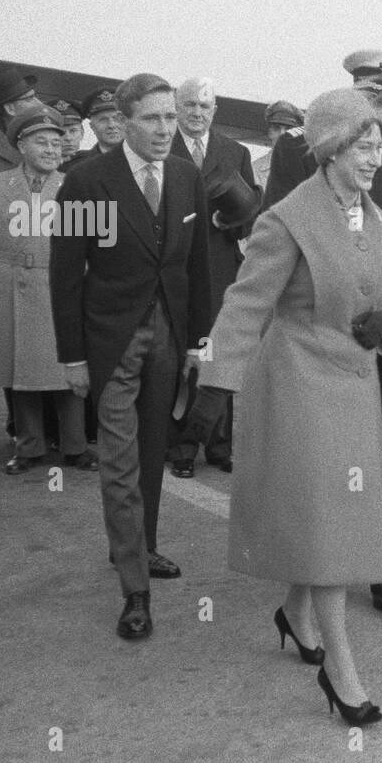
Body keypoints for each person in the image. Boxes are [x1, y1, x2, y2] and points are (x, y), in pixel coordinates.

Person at [191, 88, 382, 724]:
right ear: (331, 148)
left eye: (380, 148)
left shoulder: (378, 218)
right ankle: (343, 675)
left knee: (329, 517)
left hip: (356, 387)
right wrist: (214, 386)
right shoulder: (285, 220)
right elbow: (245, 305)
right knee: (330, 525)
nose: (374, 160)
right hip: (298, 388)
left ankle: (295, 611)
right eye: (364, 148)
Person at [260, 50, 382, 628]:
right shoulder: (300, 153)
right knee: (320, 464)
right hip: (317, 335)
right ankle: (313, 576)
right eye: (374, 99)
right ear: (351, 99)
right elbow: (277, 237)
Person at [50, 73, 212, 640]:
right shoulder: (86, 181)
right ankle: (134, 588)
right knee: (118, 459)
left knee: (153, 449)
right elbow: (66, 274)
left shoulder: (188, 178)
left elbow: (196, 268)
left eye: (171, 117)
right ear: (123, 121)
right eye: (152, 119)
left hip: (169, 333)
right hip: (110, 340)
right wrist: (72, 357)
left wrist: (198, 342)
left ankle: (143, 544)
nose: (166, 129)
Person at [0, 107, 97, 475]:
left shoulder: (77, 186)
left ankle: (75, 448)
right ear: (21, 146)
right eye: (41, 141)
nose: (50, 149)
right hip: (10, 287)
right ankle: (29, 448)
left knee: (69, 370)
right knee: (19, 371)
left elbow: (94, 248)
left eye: (57, 142)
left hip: (62, 289)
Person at [167, 77, 261, 479]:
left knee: (222, 356)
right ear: (177, 106)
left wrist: (236, 218)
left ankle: (220, 445)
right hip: (176, 266)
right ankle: (182, 446)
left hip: (222, 267)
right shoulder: (161, 146)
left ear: (215, 111)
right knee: (183, 360)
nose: (197, 113)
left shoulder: (235, 151)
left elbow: (251, 215)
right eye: (189, 105)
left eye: (205, 107)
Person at [0, 68, 43, 173]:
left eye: (35, 97)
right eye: (29, 99)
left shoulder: (50, 138)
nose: (40, 104)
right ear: (10, 109)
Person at [65, 87, 125, 168]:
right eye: (103, 120)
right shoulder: (74, 165)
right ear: (92, 127)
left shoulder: (144, 159)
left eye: (116, 118)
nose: (111, 125)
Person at [252, 100, 303, 187]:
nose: (282, 134)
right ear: (269, 132)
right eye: (276, 128)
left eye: (288, 129)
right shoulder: (254, 170)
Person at [44, 97, 85, 167]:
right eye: (61, 132)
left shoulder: (94, 164)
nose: (68, 138)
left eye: (73, 131)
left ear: (82, 133)